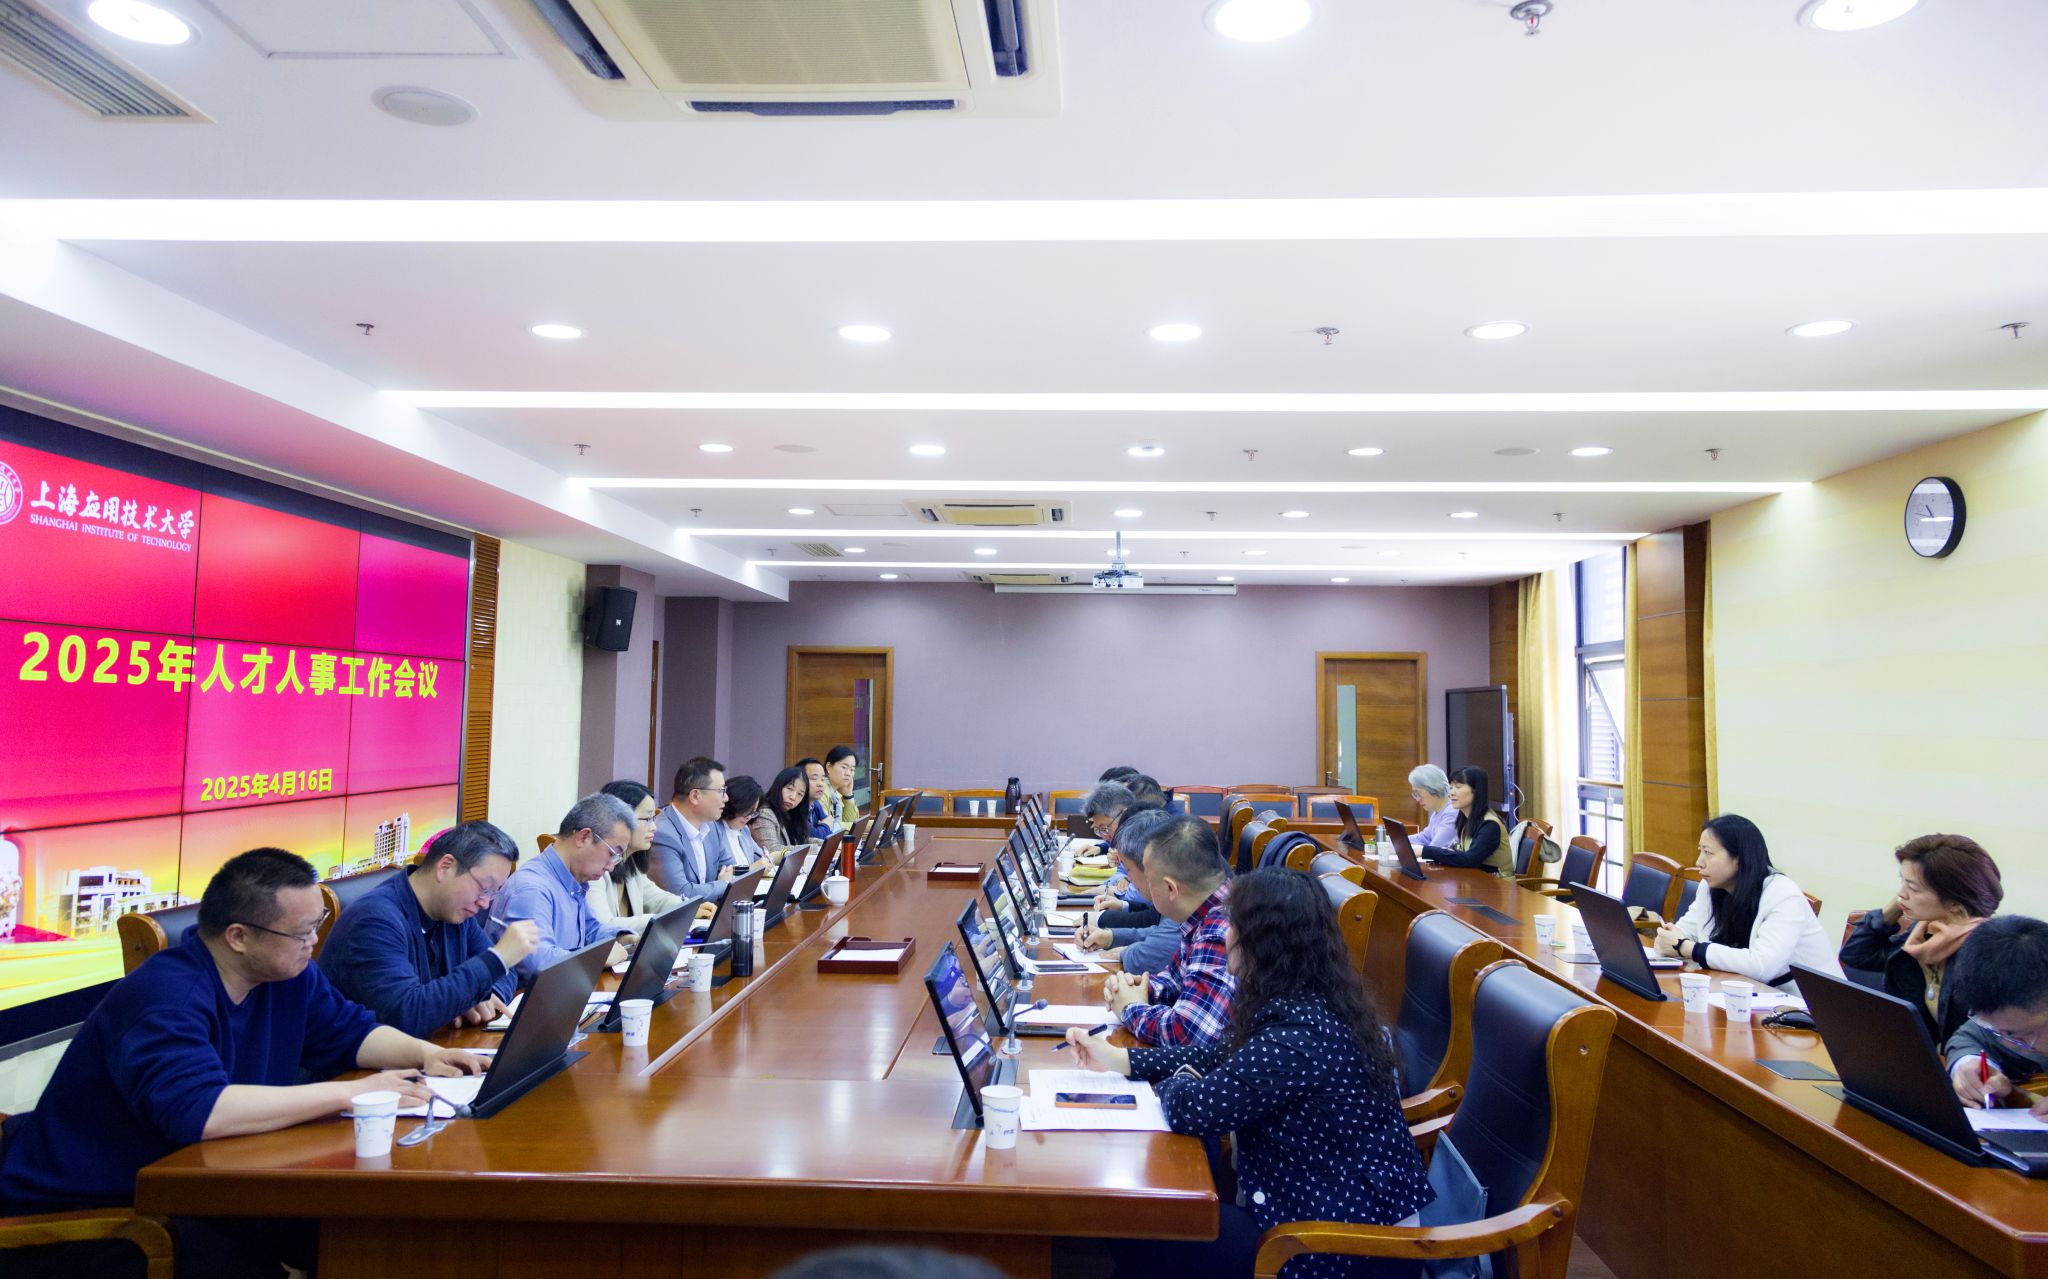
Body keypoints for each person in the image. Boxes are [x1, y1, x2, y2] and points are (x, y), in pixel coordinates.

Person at [0, 849, 486, 1277]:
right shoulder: (166, 998)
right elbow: (201, 1112)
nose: (313, 942)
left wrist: (428, 1054)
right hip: (98, 1215)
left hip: (208, 1186)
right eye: (302, 932)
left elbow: (353, 1032)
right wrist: (351, 1091)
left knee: (375, 1232)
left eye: (317, 925)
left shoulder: (287, 974)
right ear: (238, 936)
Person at [1068, 867, 1433, 1279]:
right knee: (1145, 1216)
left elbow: (1193, 1109)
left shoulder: (1297, 1037)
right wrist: (1119, 1059)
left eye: (1234, 926)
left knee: (1138, 1219)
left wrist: (1178, 1079)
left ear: (1262, 942)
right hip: (1308, 1209)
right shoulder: (1306, 999)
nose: (1225, 936)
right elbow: (1215, 1056)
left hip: (1332, 1244)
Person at [318, 821, 535, 1038]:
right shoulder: (374, 921)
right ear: (445, 867)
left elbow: (505, 974)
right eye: (484, 888)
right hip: (359, 1058)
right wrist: (497, 960)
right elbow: (406, 1015)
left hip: (433, 1046)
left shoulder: (455, 912)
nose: (485, 903)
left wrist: (484, 997)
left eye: (493, 892)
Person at [1839, 833, 2002, 1046]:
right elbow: (1856, 955)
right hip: (1918, 1054)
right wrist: (1897, 905)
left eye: (1913, 887)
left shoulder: (1988, 955)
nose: (1900, 893)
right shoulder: (1923, 935)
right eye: (1902, 881)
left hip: (1966, 1063)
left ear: (1955, 902)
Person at [1653, 814, 1842, 989]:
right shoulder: (1709, 886)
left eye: (1708, 853)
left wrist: (1686, 947)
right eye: (1700, 851)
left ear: (1739, 858)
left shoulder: (1782, 894)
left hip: (1806, 1003)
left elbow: (1762, 967)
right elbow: (1684, 932)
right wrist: (1667, 939)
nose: (1699, 862)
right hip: (1736, 992)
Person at [1106, 816, 1235, 1049]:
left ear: (1170, 888)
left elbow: (1186, 1034)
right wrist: (1139, 988)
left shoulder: (1219, 931)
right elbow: (1177, 979)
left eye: (1147, 879)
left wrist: (1129, 1008)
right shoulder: (1204, 912)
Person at [491, 793, 636, 982]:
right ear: (583, 837)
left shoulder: (572, 879)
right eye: (613, 854)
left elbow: (590, 931)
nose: (611, 867)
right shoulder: (532, 889)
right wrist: (597, 958)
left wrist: (623, 938)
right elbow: (539, 963)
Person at [1945, 915, 2048, 1115]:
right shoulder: (2015, 1021)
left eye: (2020, 1034)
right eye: (2003, 1032)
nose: (2012, 1043)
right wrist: (1970, 1065)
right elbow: (1970, 1037)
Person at [1076, 809, 1179, 975]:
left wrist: (1127, 953)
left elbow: (1156, 951)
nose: (1128, 878)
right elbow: (1160, 930)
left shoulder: (1182, 899)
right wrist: (1111, 937)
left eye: (1128, 869)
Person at [589, 780, 698, 937]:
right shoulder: (593, 867)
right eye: (647, 819)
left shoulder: (631, 861)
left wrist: (688, 907)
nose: (654, 827)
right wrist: (659, 921)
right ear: (618, 820)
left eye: (654, 818)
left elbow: (658, 899)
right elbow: (604, 926)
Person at [649, 757, 747, 900]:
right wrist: (724, 884)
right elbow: (681, 894)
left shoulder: (712, 826)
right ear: (695, 796)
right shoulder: (662, 834)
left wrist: (725, 881)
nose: (726, 798)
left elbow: (732, 871)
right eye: (721, 790)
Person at [1419, 765, 1509, 874]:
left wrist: (1423, 851)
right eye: (1451, 788)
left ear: (1476, 790)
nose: (1451, 793)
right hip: (1473, 879)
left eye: (1458, 787)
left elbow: (1470, 859)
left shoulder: (1490, 824)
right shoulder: (1464, 819)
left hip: (1497, 883)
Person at [712, 774, 778, 871]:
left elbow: (761, 857)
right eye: (746, 810)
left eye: (753, 812)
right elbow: (718, 873)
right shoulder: (713, 830)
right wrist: (750, 869)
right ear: (733, 803)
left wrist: (780, 855)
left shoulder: (744, 830)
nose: (748, 817)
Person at [752, 765, 812, 859]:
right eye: (789, 789)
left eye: (800, 794)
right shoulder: (764, 813)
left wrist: (825, 844)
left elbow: (802, 841)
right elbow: (773, 850)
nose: (793, 797)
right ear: (778, 786)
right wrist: (815, 849)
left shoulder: (790, 813)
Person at [1407, 764, 1458, 848]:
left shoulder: (1452, 813)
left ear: (1434, 788)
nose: (1417, 799)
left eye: (1418, 793)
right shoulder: (1438, 812)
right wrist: (1394, 841)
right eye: (1415, 795)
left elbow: (1435, 847)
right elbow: (1424, 838)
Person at [823, 745, 863, 833]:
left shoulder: (837, 791)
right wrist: (858, 826)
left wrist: (848, 795)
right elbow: (827, 828)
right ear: (829, 767)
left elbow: (852, 831)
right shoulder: (821, 790)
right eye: (844, 767)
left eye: (852, 770)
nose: (848, 773)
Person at [796, 757, 836, 840]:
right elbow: (812, 836)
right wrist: (825, 825)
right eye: (814, 778)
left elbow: (830, 834)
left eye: (823, 779)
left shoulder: (815, 803)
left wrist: (824, 827)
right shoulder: (794, 807)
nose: (820, 784)